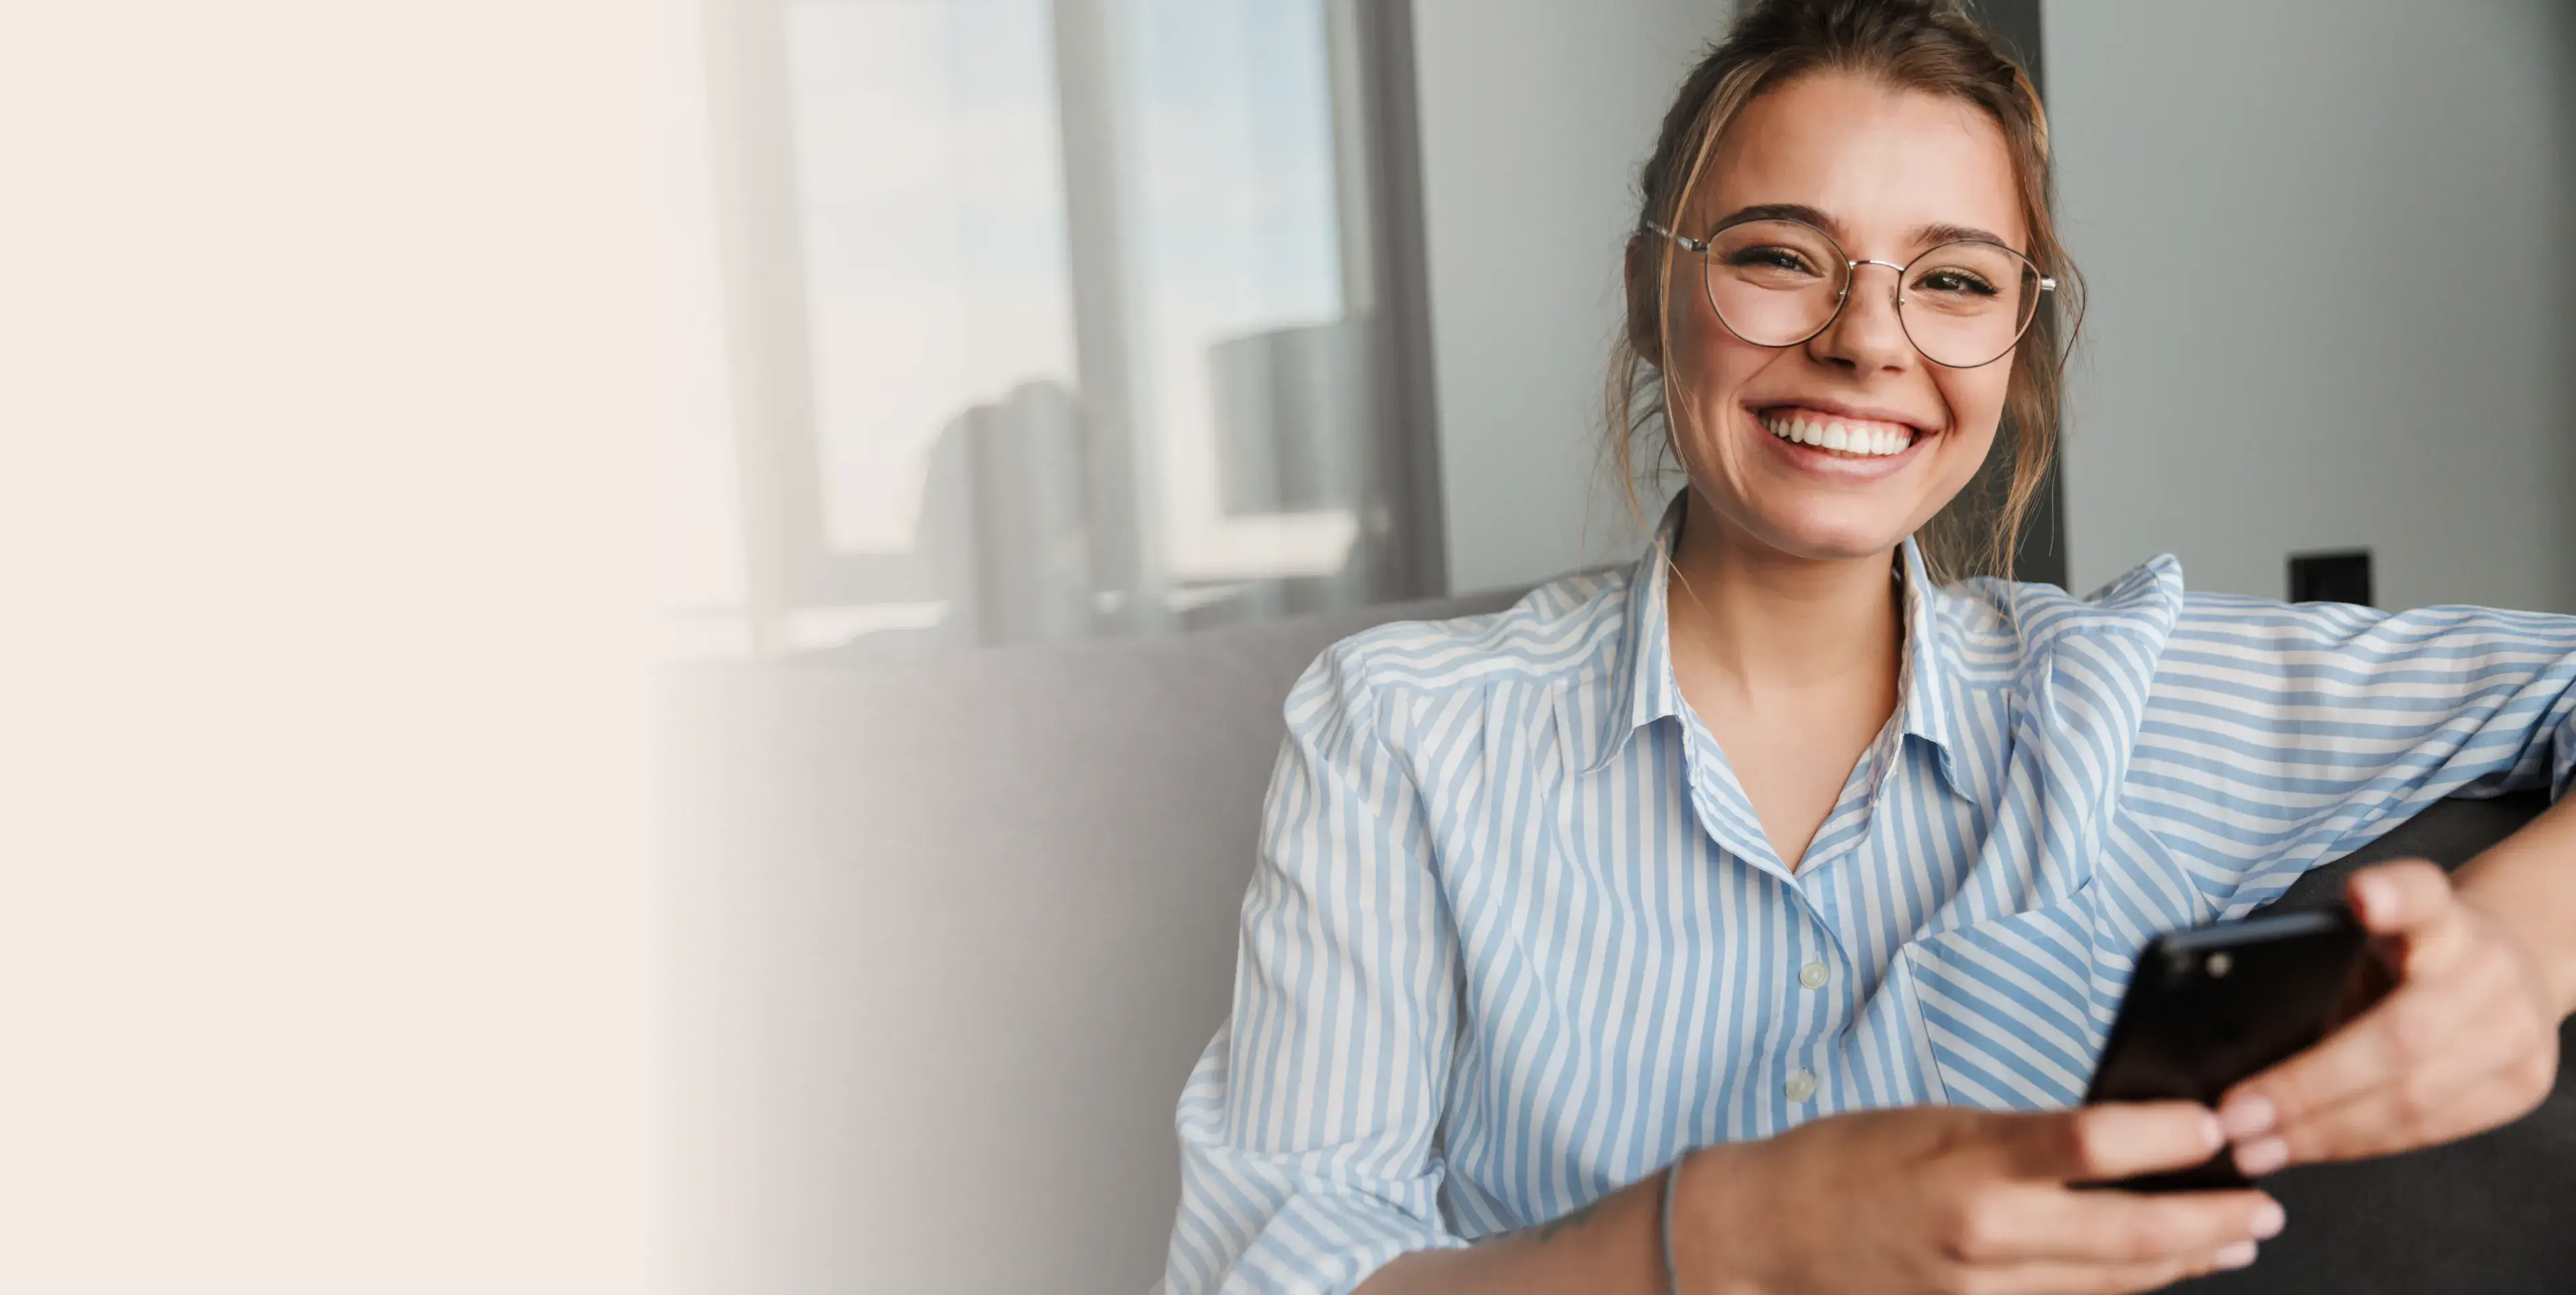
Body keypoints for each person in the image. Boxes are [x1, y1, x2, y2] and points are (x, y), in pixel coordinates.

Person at [1161, 1, 2576, 1292]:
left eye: (1953, 282)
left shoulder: (2121, 696)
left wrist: (2512, 947)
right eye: (1781, 256)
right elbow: (1268, 1272)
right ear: (1656, 298)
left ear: (2018, 343)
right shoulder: (1402, 729)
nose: (1864, 340)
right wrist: (1716, 1235)